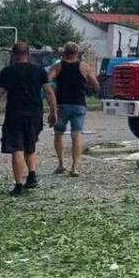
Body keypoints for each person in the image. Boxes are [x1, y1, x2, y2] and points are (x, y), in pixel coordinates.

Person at [0, 42, 58, 196]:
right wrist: (53, 111)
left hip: (15, 113)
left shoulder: (8, 72)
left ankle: (18, 185)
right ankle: (32, 175)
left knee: (17, 148)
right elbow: (49, 92)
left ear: (13, 54)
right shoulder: (38, 71)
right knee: (30, 144)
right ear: (28, 54)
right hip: (35, 113)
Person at [49, 42, 100, 177]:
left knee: (59, 133)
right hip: (79, 104)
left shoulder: (58, 66)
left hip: (61, 105)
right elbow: (96, 85)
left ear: (64, 52)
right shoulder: (84, 67)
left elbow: (46, 80)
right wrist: (87, 87)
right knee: (76, 134)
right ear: (77, 53)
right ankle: (75, 167)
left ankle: (61, 164)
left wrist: (53, 91)